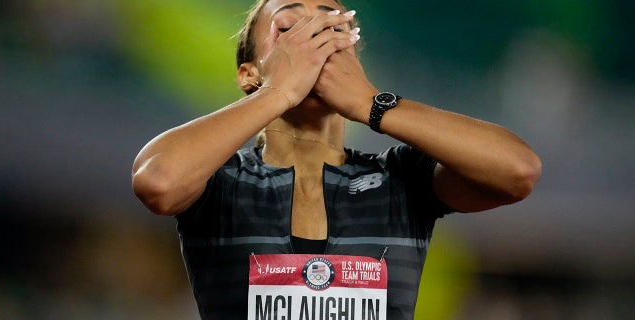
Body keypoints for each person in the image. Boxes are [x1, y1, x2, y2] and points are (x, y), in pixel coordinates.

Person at [131, 0, 542, 318]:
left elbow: (518, 170)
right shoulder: (220, 181)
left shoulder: (401, 179)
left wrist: (372, 104)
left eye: (331, 27)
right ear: (249, 73)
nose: (315, 43)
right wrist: (278, 92)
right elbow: (158, 182)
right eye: (290, 29)